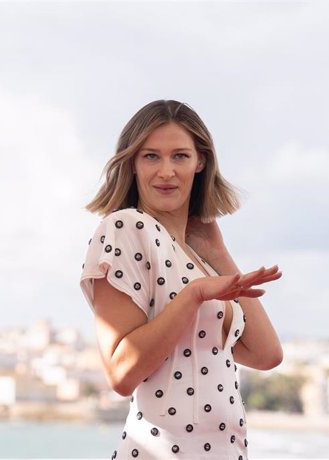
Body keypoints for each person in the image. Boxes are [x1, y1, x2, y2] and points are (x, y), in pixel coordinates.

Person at [80, 100, 283, 459]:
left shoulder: (198, 257)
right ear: (132, 163)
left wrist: (217, 254)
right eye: (151, 157)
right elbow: (121, 374)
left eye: (180, 156)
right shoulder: (125, 228)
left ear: (200, 161)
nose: (166, 172)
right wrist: (194, 296)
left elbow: (267, 354)